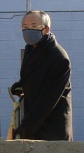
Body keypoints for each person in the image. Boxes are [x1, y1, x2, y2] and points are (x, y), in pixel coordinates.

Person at [10, 10, 72, 140]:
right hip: (33, 124)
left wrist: (26, 126)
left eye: (34, 26)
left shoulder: (59, 58)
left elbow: (48, 98)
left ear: (46, 29)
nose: (28, 30)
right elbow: (32, 75)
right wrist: (21, 85)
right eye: (25, 27)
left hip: (52, 130)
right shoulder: (31, 48)